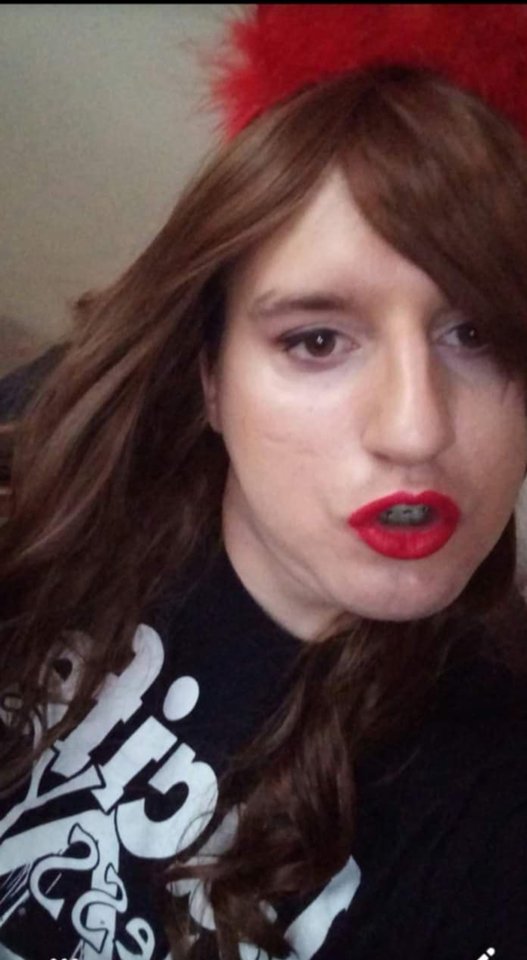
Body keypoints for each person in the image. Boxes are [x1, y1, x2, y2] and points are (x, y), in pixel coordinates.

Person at [1, 4, 527, 959]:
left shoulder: (488, 801)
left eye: (476, 334)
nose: (415, 429)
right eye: (316, 340)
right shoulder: (66, 472)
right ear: (209, 377)